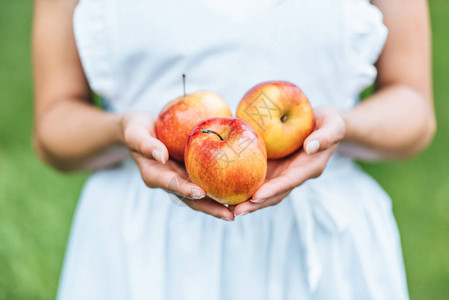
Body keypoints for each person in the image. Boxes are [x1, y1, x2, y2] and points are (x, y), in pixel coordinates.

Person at [33, 0, 435, 299]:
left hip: (323, 251)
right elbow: (53, 126)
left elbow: (415, 111)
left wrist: (341, 126)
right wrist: (121, 130)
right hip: (141, 251)